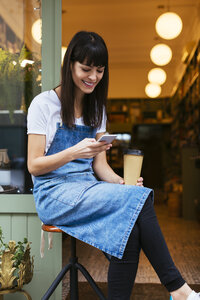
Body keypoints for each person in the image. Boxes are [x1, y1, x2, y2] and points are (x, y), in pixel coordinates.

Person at [27, 31, 199, 300]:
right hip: (53, 194)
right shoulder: (44, 104)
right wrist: (73, 152)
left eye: (99, 70)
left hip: (88, 188)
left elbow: (101, 167)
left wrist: (121, 183)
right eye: (86, 68)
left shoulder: (98, 109)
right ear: (69, 64)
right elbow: (34, 166)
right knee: (139, 202)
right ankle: (179, 290)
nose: (93, 77)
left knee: (128, 232)